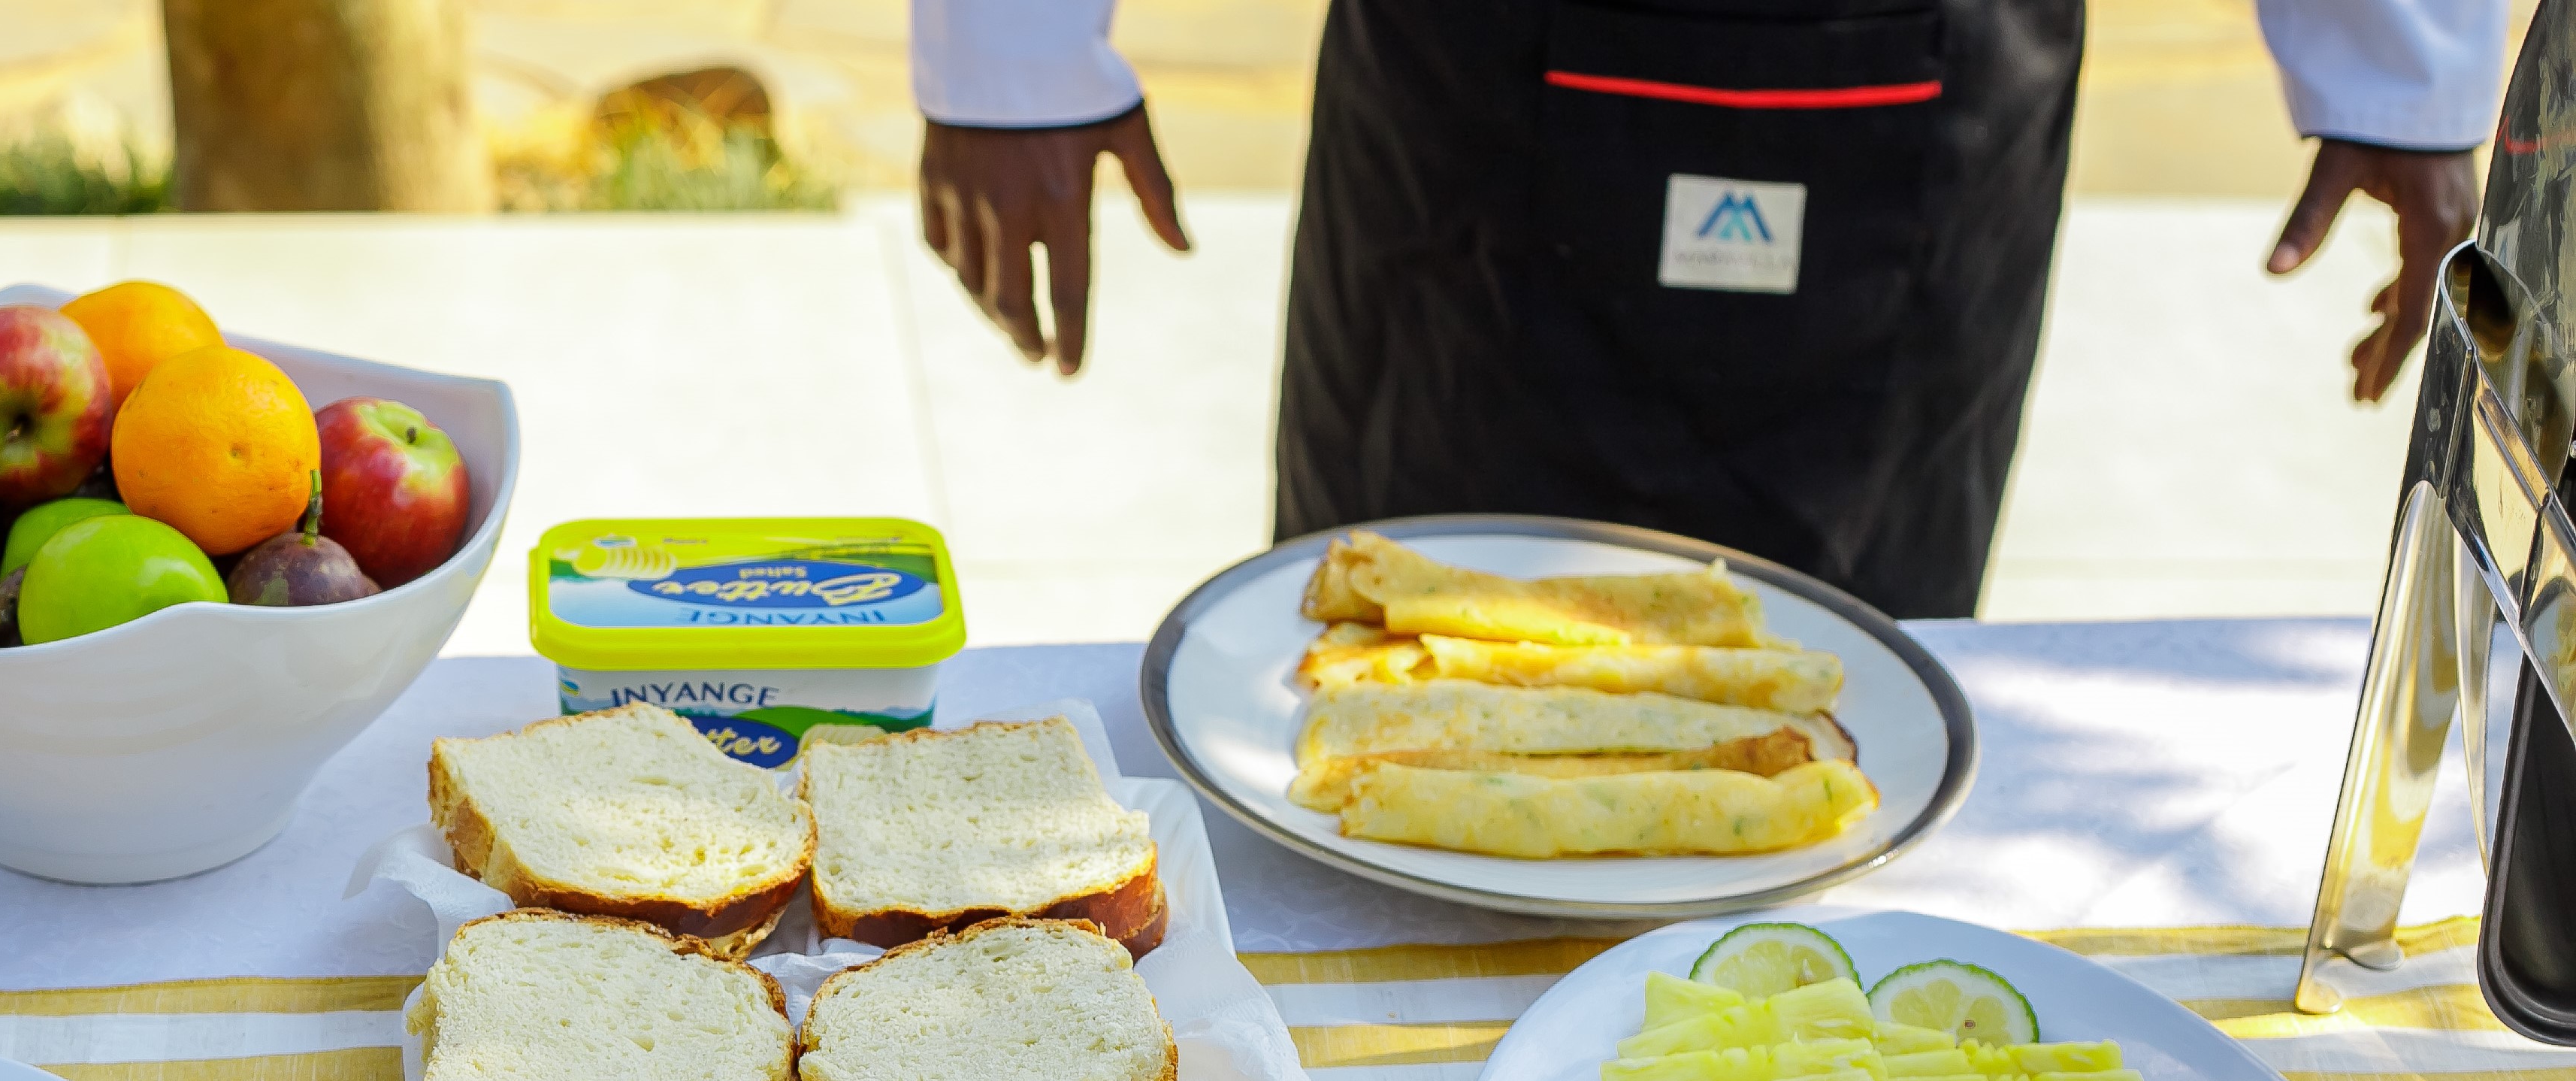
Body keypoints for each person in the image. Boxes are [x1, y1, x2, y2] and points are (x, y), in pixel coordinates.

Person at [911, 0, 2511, 616]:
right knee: (1387, 679)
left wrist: (2406, 61)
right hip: (1475, 95)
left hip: (1929, 79)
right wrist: (1010, 44)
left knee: (1834, 728)